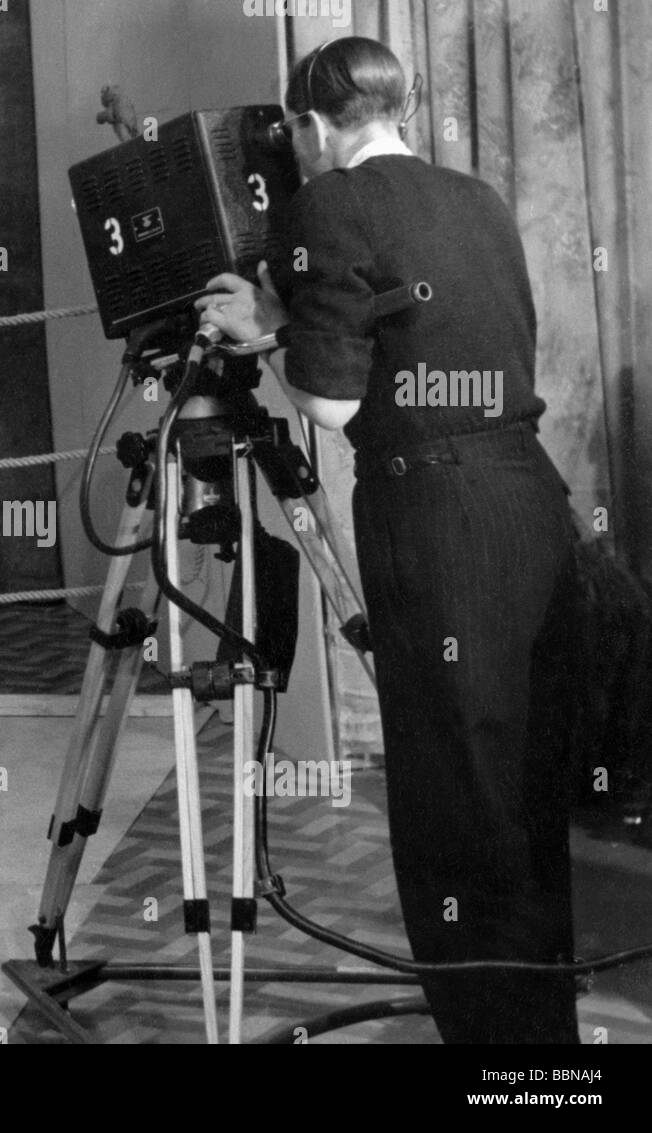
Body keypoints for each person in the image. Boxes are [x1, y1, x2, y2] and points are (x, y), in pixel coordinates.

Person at [198, 37, 580, 1043]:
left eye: (297, 136)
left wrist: (265, 335)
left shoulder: (323, 204)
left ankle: (499, 1059)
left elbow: (327, 401)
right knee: (521, 794)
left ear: (316, 128)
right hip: (529, 501)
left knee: (454, 804)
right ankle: (541, 1040)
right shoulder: (478, 200)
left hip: (436, 520)